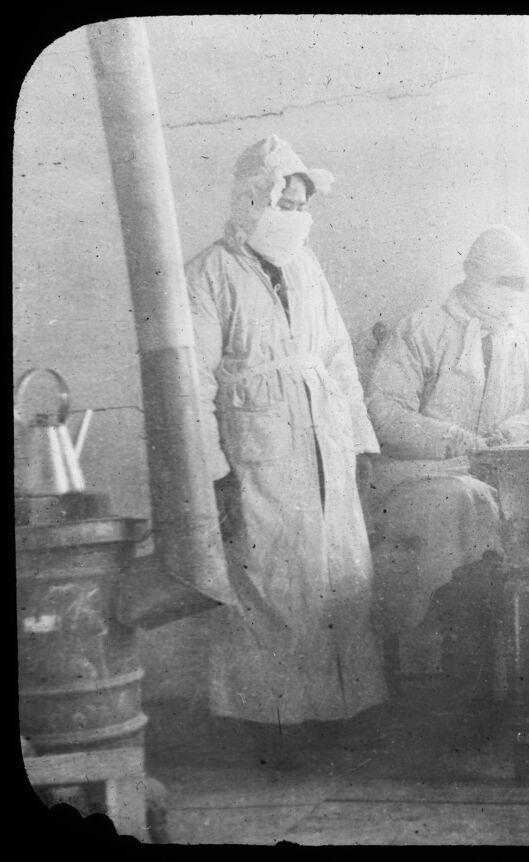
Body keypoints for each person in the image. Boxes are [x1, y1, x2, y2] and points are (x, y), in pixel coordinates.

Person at [188, 135, 387, 767]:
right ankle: (273, 730)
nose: (295, 215)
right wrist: (214, 473)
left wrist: (357, 446)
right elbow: (191, 385)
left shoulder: (307, 268)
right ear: (253, 200)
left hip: (323, 444)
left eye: (303, 203)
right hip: (258, 453)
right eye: (284, 200)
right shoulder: (209, 274)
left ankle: (340, 716)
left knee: (337, 578)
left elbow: (340, 360)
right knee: (269, 586)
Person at [365, 225, 529, 697]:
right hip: (419, 481)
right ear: (470, 273)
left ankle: (516, 686)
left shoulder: (523, 337)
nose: (510, 294)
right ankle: (471, 690)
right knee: (465, 509)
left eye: (519, 284)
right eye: (502, 280)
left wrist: (509, 431)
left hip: (492, 479)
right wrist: (449, 439)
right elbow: (382, 413)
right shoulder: (422, 328)